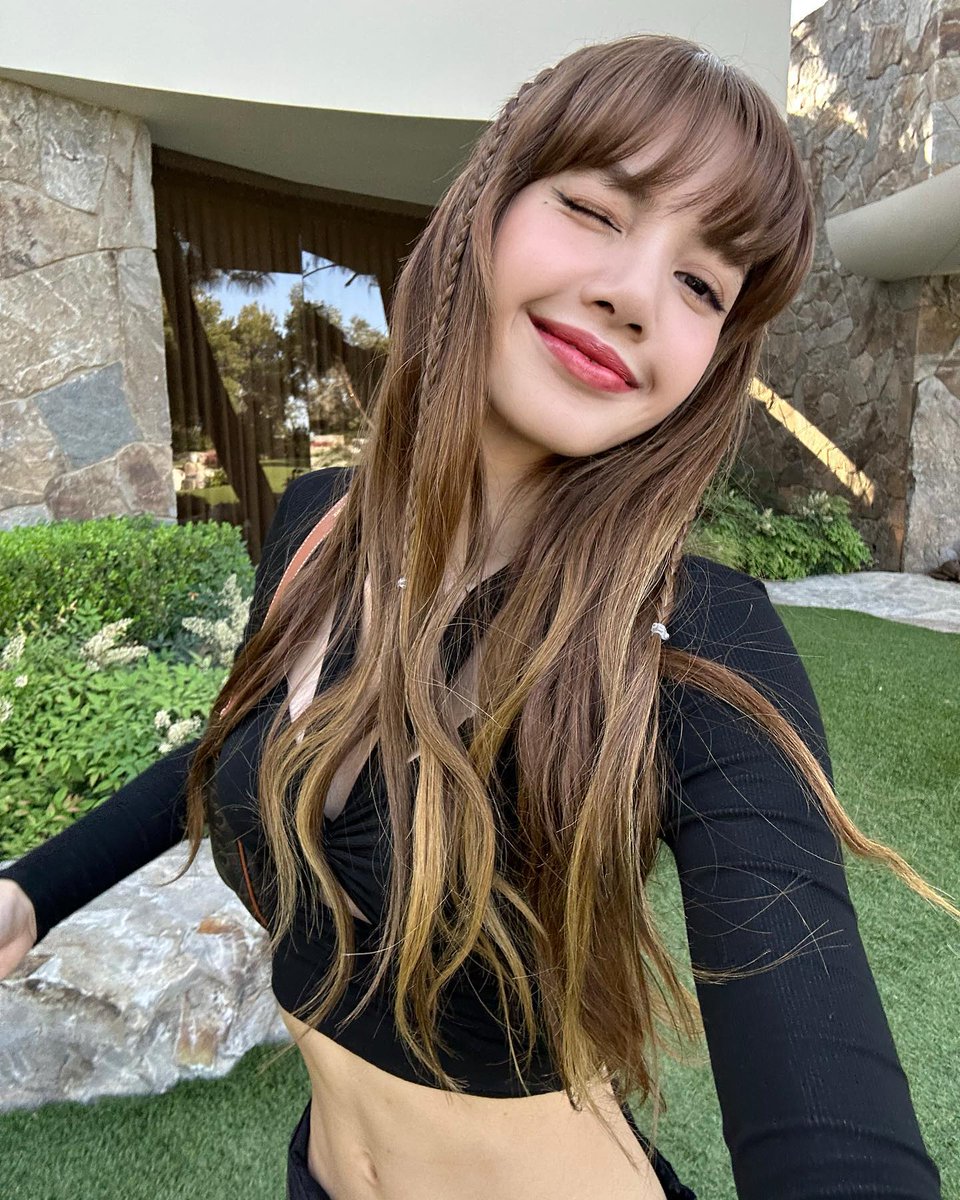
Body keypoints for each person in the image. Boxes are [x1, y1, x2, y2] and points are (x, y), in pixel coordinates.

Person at [0, 32, 955, 1200]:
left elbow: (828, 1097)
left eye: (703, 284)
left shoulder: (691, 635)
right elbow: (240, 738)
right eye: (596, 209)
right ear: (485, 210)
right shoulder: (316, 529)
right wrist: (33, 889)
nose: (633, 294)